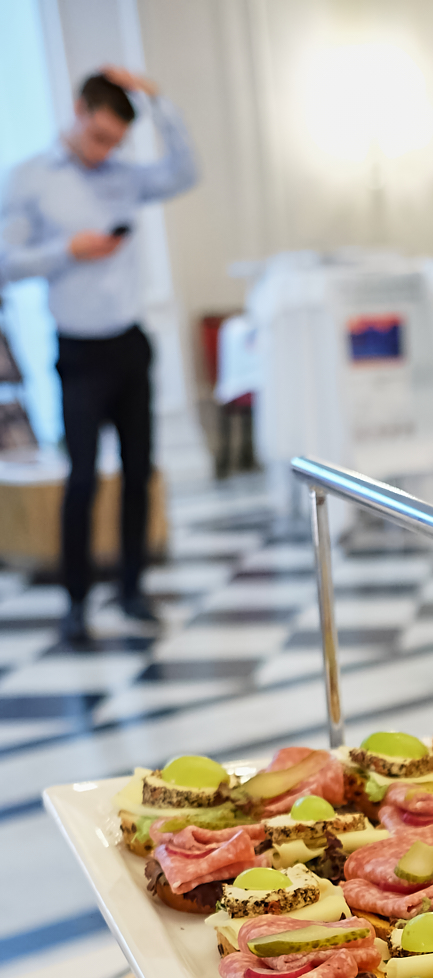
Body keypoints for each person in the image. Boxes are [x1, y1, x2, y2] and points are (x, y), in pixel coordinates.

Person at [0, 68, 197, 646]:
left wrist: (157, 100)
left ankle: (133, 590)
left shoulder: (126, 177)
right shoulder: (30, 179)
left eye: (116, 141)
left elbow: (185, 171)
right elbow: (6, 262)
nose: (105, 149)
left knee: (139, 473)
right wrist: (68, 249)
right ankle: (76, 602)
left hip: (129, 344)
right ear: (78, 109)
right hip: (79, 351)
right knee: (82, 478)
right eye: (99, 136)